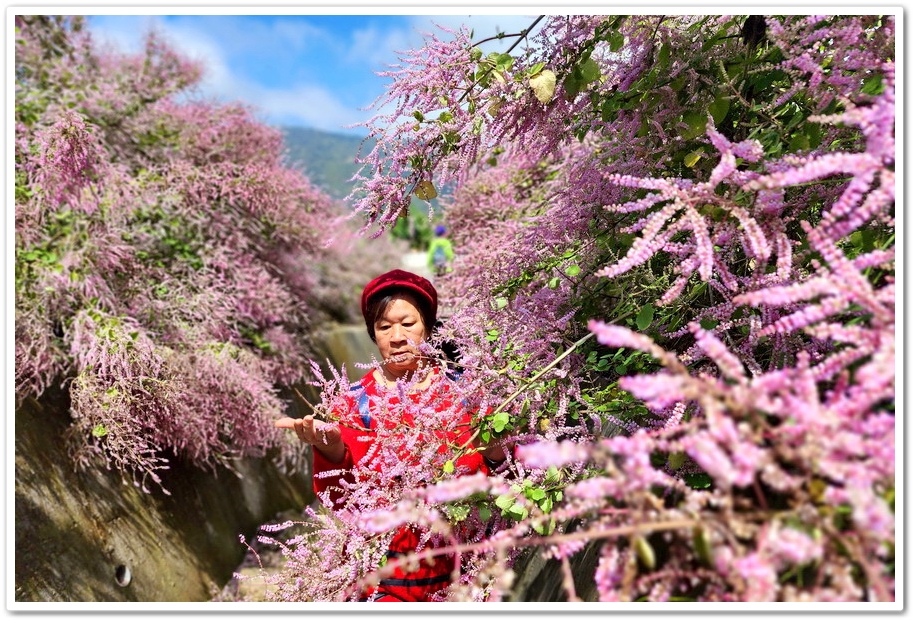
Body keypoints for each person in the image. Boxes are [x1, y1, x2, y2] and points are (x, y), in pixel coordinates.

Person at [276, 269, 507, 601]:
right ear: (373, 335)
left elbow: (504, 478)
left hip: (466, 569)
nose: (396, 336)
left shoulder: (465, 390)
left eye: (408, 324)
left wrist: (497, 448)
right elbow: (343, 499)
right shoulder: (355, 402)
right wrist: (331, 449)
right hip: (388, 575)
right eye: (384, 327)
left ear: (428, 327)